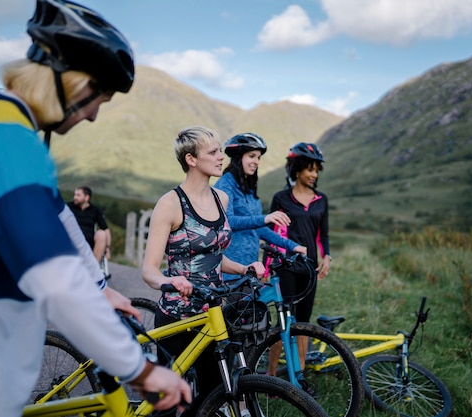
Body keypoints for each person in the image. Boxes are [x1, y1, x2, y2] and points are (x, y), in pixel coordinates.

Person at [0, 1, 190, 416]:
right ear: (73, 83)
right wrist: (139, 370)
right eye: (98, 98)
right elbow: (55, 278)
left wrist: (102, 290)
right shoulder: (4, 140)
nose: (92, 117)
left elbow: (61, 222)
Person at [141, 126, 265, 415]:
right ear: (191, 159)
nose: (221, 157)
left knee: (214, 396)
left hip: (212, 316)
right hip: (177, 318)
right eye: (213, 152)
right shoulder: (170, 204)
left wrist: (244, 267)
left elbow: (213, 256)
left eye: (220, 150)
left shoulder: (221, 200)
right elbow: (149, 271)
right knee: (168, 404)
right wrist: (171, 282)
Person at [268, 142, 331, 371]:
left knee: (303, 322)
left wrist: (327, 256)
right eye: (310, 169)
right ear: (297, 170)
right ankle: (271, 372)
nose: (314, 174)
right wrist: (269, 267)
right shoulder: (281, 198)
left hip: (310, 267)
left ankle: (300, 373)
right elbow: (271, 234)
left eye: (316, 170)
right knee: (284, 320)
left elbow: (323, 234)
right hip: (286, 267)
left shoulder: (321, 200)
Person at [213, 132, 306, 285]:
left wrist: (293, 246)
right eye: (251, 156)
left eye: (258, 157)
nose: (256, 161)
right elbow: (228, 221)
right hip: (230, 272)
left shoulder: (248, 190)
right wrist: (265, 218)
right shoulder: (225, 184)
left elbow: (258, 228)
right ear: (238, 157)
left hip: (249, 269)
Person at [68, 185, 112, 263]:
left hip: (89, 244)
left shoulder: (95, 210)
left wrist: (108, 248)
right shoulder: (68, 207)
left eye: (78, 195)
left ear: (87, 197)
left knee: (101, 233)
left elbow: (105, 229)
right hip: (71, 241)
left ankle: (94, 268)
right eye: (75, 194)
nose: (75, 197)